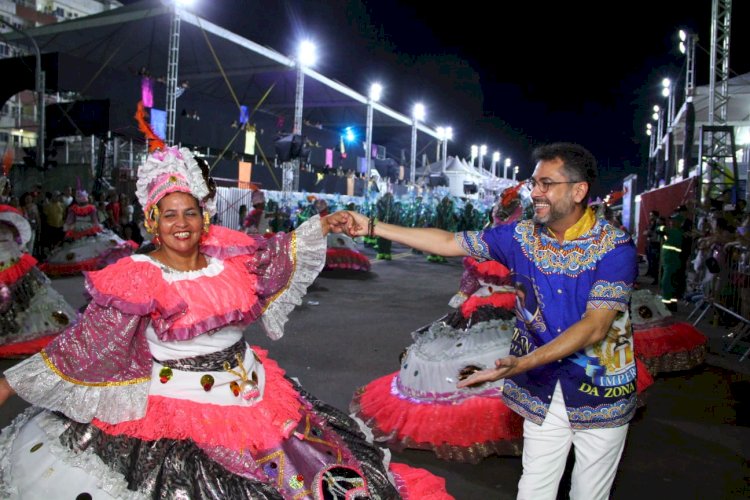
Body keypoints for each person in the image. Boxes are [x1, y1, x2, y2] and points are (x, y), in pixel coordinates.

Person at [0, 135, 451, 498]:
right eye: (169, 214)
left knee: (320, 480)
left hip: (256, 392)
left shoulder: (228, 259)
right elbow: (87, 344)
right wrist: (9, 383)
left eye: (190, 212)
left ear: (204, 215)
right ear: (152, 221)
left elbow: (277, 256)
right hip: (181, 409)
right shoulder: (136, 276)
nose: (182, 224)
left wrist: (320, 227)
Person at [342, 142, 638, 500]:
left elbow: (595, 326)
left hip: (599, 390)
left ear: (579, 191)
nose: (535, 193)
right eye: (534, 183)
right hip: (542, 388)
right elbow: (450, 241)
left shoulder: (614, 247)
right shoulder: (520, 237)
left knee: (589, 494)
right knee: (533, 489)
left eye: (547, 184)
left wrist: (522, 363)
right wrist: (372, 225)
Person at [351, 186, 526, 464]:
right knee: (454, 356)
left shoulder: (526, 237)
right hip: (482, 305)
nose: (502, 214)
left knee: (495, 359)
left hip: (509, 308)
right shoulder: (493, 236)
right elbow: (449, 245)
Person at [0, 204, 77, 358]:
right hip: (10, 261)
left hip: (12, 261)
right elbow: (20, 240)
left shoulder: (9, 220)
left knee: (27, 298)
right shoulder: (9, 221)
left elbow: (19, 239)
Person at [39, 187, 135, 277]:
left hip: (80, 228)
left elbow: (70, 221)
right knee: (87, 245)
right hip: (85, 228)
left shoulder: (79, 208)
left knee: (85, 245)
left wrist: (69, 228)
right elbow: (93, 221)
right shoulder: (86, 208)